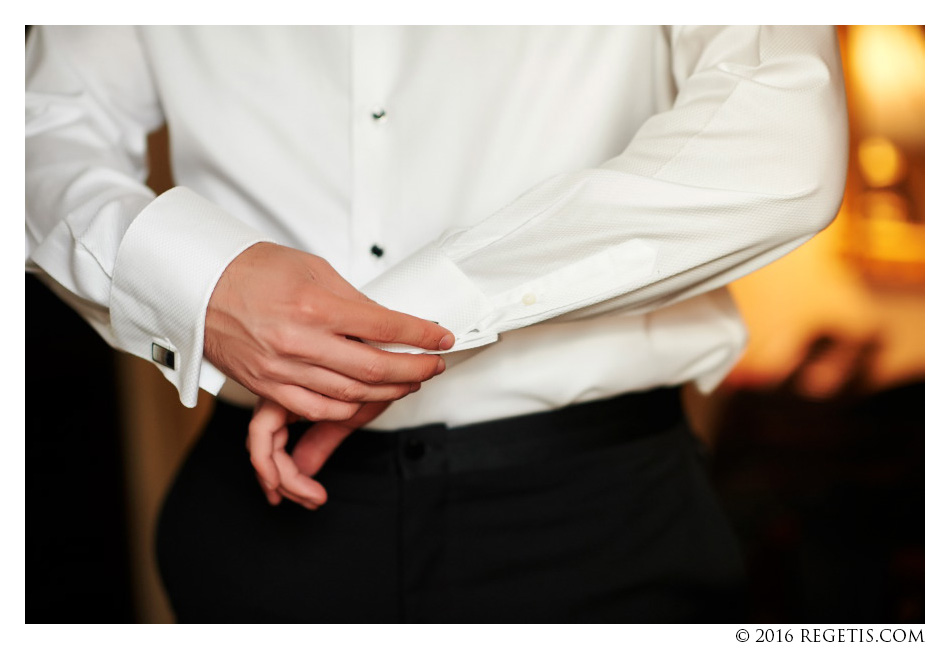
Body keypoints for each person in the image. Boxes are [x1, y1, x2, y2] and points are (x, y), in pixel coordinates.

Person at [25, 26, 848, 622]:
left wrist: (422, 311)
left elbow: (780, 133)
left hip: (598, 523)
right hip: (259, 526)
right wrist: (202, 286)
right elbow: (37, 132)